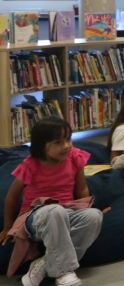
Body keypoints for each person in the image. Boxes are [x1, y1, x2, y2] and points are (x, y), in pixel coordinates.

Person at [1, 117, 104, 286]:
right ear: (41, 145)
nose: (67, 146)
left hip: (66, 212)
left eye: (68, 139)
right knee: (55, 210)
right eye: (58, 142)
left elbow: (82, 189)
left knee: (94, 216)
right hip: (35, 217)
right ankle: (63, 272)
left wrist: (85, 208)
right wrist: (7, 227)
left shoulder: (74, 157)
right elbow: (12, 197)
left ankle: (44, 263)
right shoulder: (31, 165)